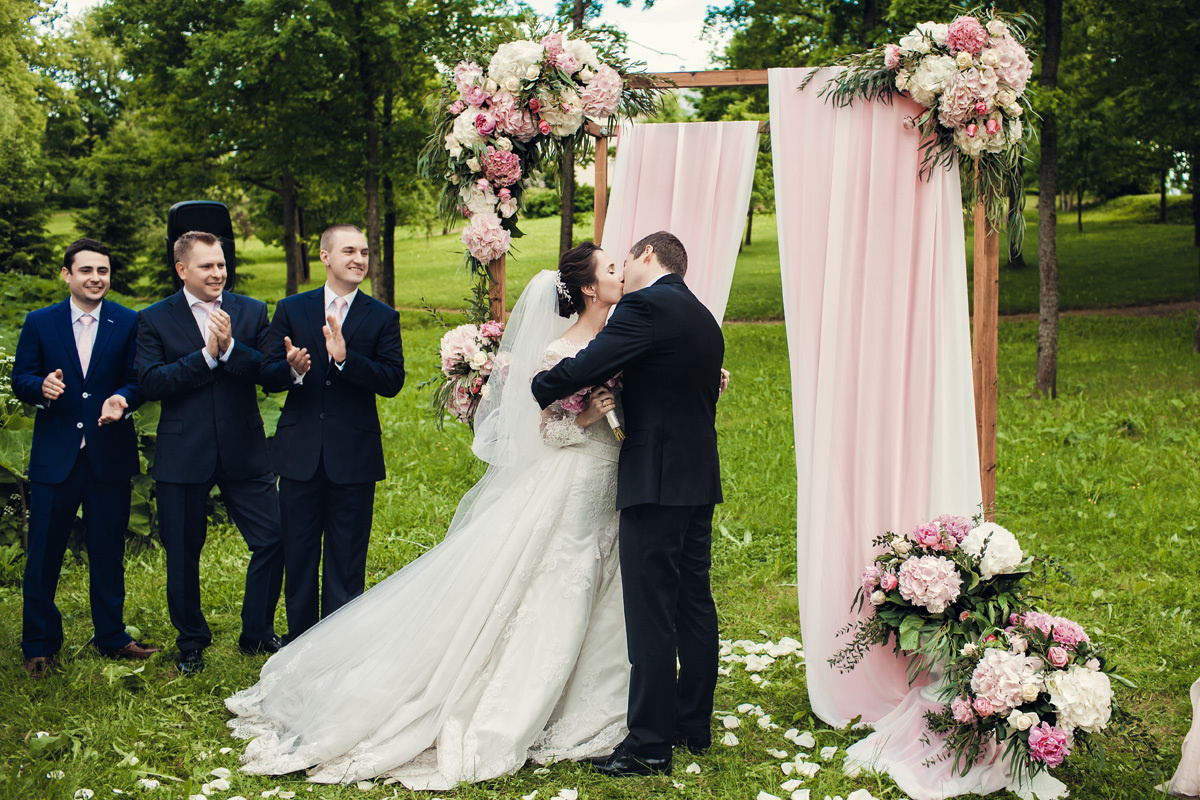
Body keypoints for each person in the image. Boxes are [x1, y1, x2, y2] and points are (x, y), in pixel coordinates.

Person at [226, 247, 631, 788]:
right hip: (575, 480)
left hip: (612, 481)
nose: (620, 275)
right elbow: (549, 431)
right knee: (561, 581)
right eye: (610, 270)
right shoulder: (558, 350)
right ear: (586, 288)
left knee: (602, 581)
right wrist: (588, 413)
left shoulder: (622, 339)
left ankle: (597, 693)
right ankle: (522, 704)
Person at [531, 231, 725, 777]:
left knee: (650, 615)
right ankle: (693, 725)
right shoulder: (702, 315)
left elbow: (592, 362)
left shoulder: (645, 305)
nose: (622, 269)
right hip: (697, 482)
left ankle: (648, 745)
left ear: (646, 256)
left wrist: (543, 384)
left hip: (654, 483)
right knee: (693, 604)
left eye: (625, 259)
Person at [135, 231, 285, 674]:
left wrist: (233, 350)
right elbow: (151, 383)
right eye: (207, 266)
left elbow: (269, 372)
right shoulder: (154, 319)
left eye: (221, 264)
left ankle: (256, 632)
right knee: (183, 552)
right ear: (182, 269)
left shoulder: (251, 311)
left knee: (273, 537)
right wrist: (205, 356)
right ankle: (191, 642)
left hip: (245, 448)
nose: (218, 273)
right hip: (184, 452)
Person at [11, 238, 159, 678]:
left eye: (103, 272)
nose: (96, 278)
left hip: (107, 455)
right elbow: (22, 377)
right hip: (56, 459)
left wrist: (122, 399)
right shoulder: (40, 322)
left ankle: (112, 636)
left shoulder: (128, 321)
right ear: (67, 275)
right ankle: (38, 645)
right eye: (87, 271)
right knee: (43, 555)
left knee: (107, 551)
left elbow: (139, 379)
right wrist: (40, 388)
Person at [259, 224, 404, 640]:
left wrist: (346, 359)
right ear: (325, 257)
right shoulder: (292, 308)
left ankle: (336, 643)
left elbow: (392, 380)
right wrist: (291, 369)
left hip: (353, 455)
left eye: (364, 252)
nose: (359, 259)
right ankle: (299, 640)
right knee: (299, 553)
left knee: (346, 555)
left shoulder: (382, 316)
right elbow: (267, 375)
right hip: (300, 452)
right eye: (348, 251)